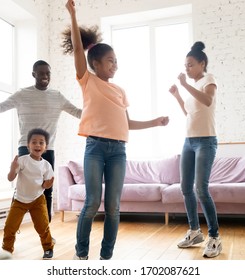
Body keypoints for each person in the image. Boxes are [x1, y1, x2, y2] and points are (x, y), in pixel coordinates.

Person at [63, 0, 169, 260]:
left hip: (118, 151)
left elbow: (127, 123)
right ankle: (81, 254)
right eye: (110, 61)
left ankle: (106, 257)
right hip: (95, 148)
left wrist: (154, 122)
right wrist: (73, 15)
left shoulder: (120, 90)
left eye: (116, 61)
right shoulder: (87, 81)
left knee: (113, 207)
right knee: (91, 204)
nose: (115, 65)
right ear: (95, 64)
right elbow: (78, 48)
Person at [0, 60, 82, 222]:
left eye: (48, 73)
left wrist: (97, 110)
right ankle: (12, 228)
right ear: (33, 74)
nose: (45, 76)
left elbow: (78, 113)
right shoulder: (22, 94)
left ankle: (46, 230)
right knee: (21, 189)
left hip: (47, 150)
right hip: (25, 149)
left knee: (46, 190)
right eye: (41, 73)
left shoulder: (57, 96)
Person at [168, 41, 222, 258]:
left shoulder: (209, 80)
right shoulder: (191, 89)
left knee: (201, 188)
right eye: (185, 65)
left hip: (206, 141)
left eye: (190, 65)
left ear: (202, 63)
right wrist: (177, 96)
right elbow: (189, 113)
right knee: (185, 187)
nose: (187, 68)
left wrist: (184, 86)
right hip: (189, 141)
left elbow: (207, 101)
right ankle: (194, 231)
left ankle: (215, 237)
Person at [2, 128, 55, 259]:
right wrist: (12, 168)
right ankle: (6, 251)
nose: (37, 145)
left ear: (45, 147)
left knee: (43, 227)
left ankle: (48, 247)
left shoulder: (46, 165)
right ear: (28, 145)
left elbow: (45, 184)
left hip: (37, 200)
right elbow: (10, 178)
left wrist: (47, 185)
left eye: (41, 142)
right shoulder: (22, 160)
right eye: (34, 142)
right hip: (19, 200)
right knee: (10, 227)